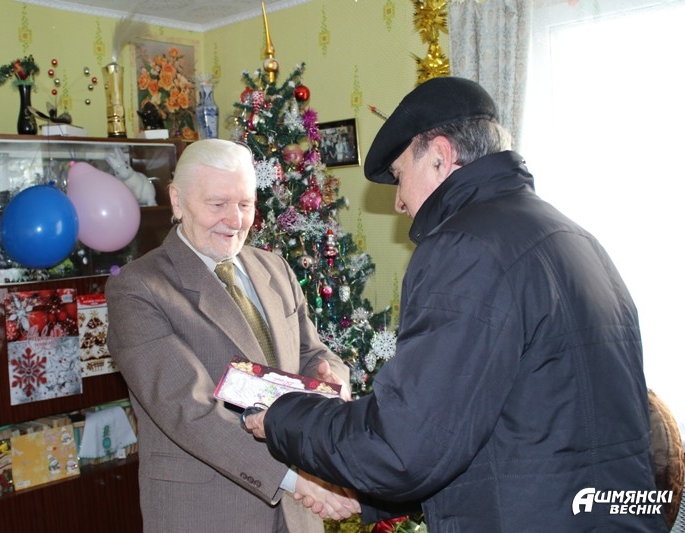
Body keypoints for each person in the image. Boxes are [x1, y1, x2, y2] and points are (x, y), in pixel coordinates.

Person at [245, 77, 666, 531]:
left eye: (400, 177)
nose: (399, 202)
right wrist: (365, 498)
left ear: (441, 157)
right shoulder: (573, 237)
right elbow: (503, 428)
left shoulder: (467, 248)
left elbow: (404, 445)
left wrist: (283, 415)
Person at [105, 138, 359, 533]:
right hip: (209, 512)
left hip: (300, 514)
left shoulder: (274, 269)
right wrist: (293, 479)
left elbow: (313, 353)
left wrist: (332, 383)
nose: (236, 220)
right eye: (218, 204)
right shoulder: (139, 288)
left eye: (245, 204)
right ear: (177, 201)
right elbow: (187, 409)